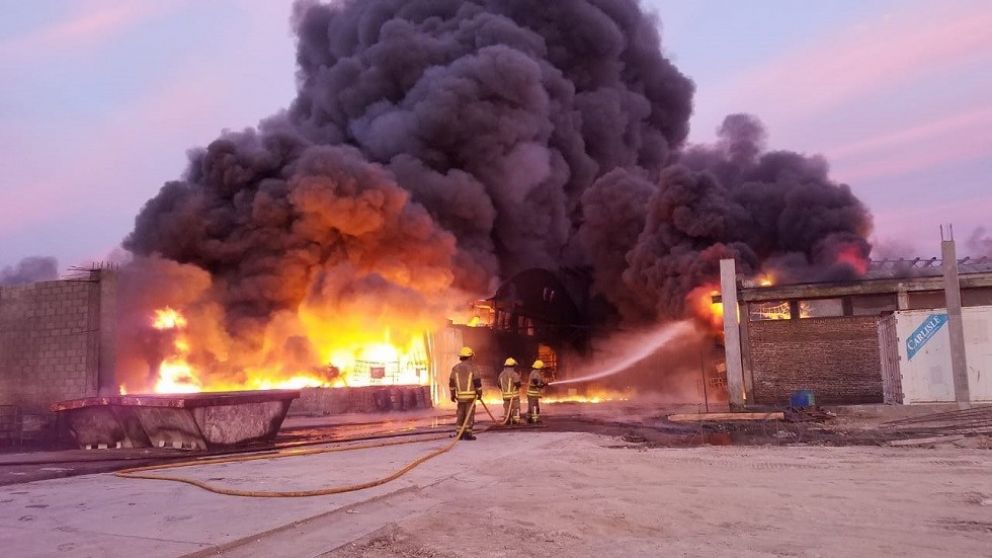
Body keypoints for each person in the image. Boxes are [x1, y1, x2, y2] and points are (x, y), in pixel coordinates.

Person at [449, 346, 482, 440]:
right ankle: (467, 434)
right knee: (469, 415)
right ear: (470, 356)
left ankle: (459, 433)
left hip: (460, 397)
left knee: (460, 414)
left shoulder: (455, 368)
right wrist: (479, 393)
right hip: (470, 397)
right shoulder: (473, 368)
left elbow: (451, 382)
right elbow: (477, 382)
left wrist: (452, 394)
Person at [497, 357, 522, 425]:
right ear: (513, 365)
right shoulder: (514, 374)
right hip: (514, 396)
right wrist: (520, 384)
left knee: (507, 408)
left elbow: (498, 384)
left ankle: (507, 420)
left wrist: (504, 390)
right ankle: (516, 420)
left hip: (505, 396)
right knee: (516, 407)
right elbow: (517, 383)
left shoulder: (501, 374)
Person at [526, 359, 547, 424]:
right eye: (542, 367)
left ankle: (529, 419)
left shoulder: (534, 372)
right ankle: (535, 420)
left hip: (530, 393)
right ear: (539, 367)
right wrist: (539, 385)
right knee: (535, 407)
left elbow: (539, 380)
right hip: (533, 394)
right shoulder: (535, 373)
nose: (542, 369)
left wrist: (544, 384)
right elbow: (535, 380)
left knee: (530, 407)